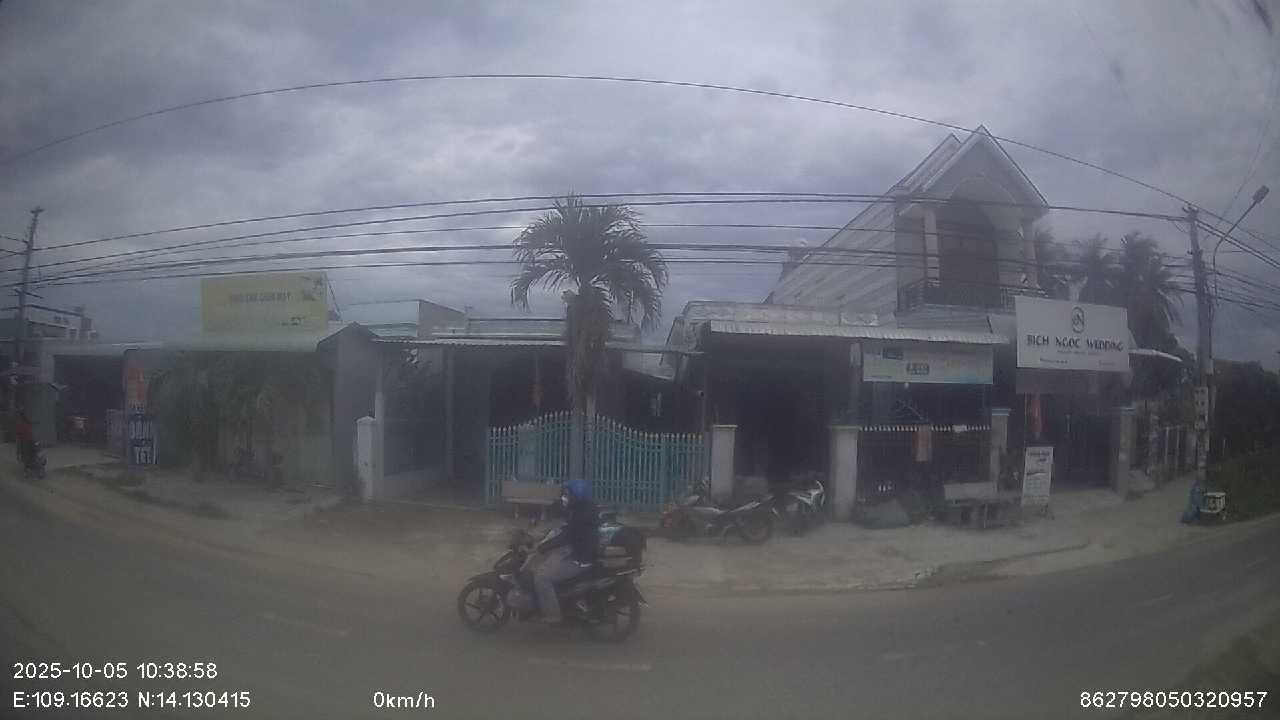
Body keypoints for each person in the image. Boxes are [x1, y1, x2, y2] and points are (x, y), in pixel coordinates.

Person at [532, 478, 598, 624]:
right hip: (579, 551)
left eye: (567, 495)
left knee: (542, 578)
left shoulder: (581, 515)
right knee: (550, 558)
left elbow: (566, 537)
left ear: (577, 496)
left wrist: (542, 547)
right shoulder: (583, 509)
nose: (564, 497)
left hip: (580, 559)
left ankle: (553, 615)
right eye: (564, 494)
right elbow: (566, 529)